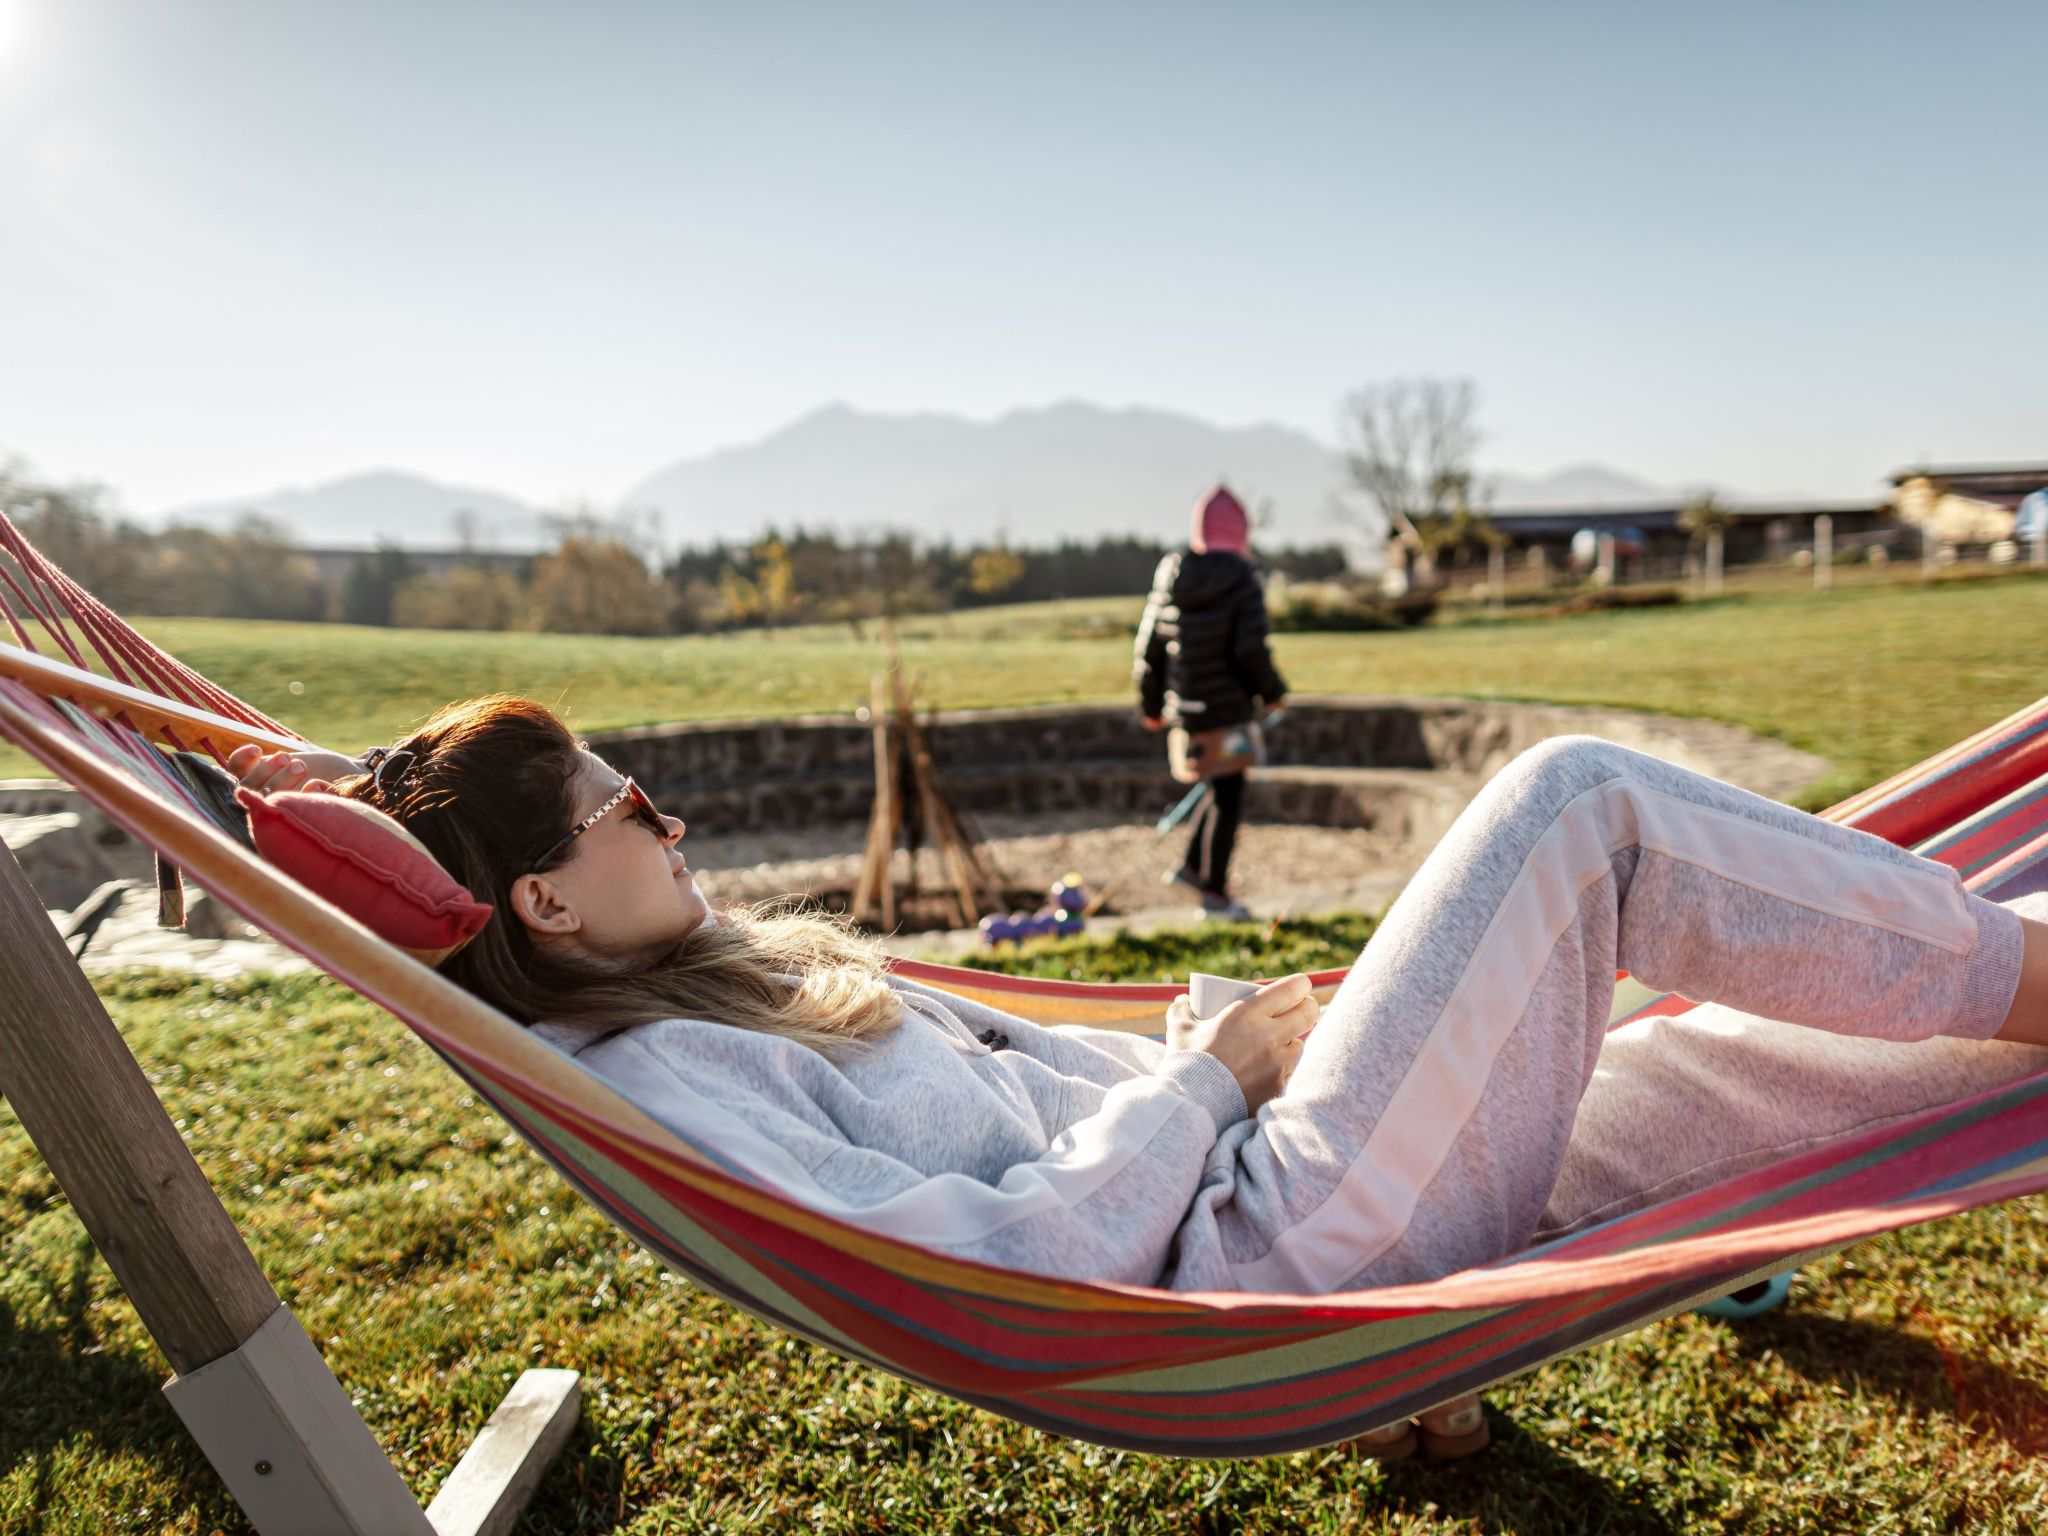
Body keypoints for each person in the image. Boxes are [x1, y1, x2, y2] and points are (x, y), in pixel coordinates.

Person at [229, 699, 2048, 1462]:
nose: (667, 813)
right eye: (628, 806)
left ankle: (2007, 966)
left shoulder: (718, 990)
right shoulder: (677, 1082)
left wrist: (1213, 1057)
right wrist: (1204, 1091)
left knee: (1723, 1059)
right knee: (1584, 809)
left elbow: (1047, 1127)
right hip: (1261, 1259)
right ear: (542, 896)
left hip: (1278, 1173)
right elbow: (1028, 1255)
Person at [1133, 485, 1287, 921]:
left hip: (1186, 708)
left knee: (1216, 784)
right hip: (1229, 708)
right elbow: (1250, 649)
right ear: (1241, 532)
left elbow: (1149, 648)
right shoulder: (1243, 577)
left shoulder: (1171, 573)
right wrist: (1273, 693)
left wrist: (1150, 704)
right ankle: (1215, 896)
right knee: (1229, 792)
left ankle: (1191, 869)